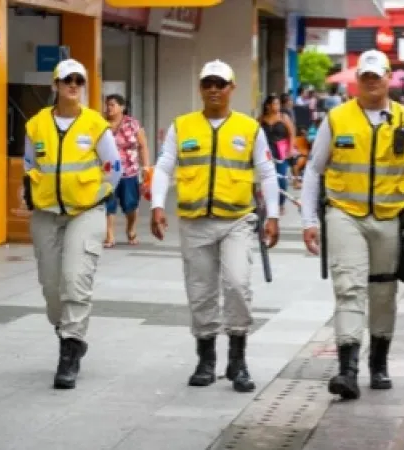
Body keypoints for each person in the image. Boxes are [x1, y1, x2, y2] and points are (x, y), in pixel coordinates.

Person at [300, 50, 404, 401]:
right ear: (357, 80)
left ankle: (378, 362)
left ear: (388, 77)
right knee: (349, 287)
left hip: (391, 219)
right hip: (344, 214)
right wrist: (307, 220)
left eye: (377, 75)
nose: (371, 81)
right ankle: (347, 370)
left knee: (383, 292)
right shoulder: (336, 119)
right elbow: (314, 170)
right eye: (365, 76)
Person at [150, 59, 281, 393]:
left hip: (237, 220)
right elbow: (164, 167)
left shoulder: (250, 128)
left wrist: (275, 216)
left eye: (220, 84)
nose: (213, 90)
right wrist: (156, 205)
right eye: (207, 83)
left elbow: (266, 173)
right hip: (195, 223)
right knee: (201, 291)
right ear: (200, 88)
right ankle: (206, 358)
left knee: (237, 284)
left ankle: (238, 360)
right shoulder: (183, 126)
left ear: (231, 89)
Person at [23, 59, 122, 389]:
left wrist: (98, 195)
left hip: (86, 212)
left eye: (79, 80)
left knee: (75, 279)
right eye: (67, 79)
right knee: (52, 289)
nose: (74, 84)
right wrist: (30, 190)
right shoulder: (36, 125)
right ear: (55, 85)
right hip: (47, 214)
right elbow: (29, 164)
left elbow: (114, 167)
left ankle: (69, 350)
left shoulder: (96, 125)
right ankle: (67, 331)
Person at [103, 94, 151, 247]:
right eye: (107, 105)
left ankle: (131, 229)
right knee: (108, 205)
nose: (108, 108)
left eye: (112, 105)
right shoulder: (101, 123)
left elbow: (143, 146)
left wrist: (146, 167)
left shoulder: (132, 124)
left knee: (130, 204)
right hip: (108, 173)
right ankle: (110, 236)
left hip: (129, 171)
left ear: (122, 107)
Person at [260, 94, 295, 215]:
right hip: (266, 153)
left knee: (281, 179)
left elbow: (291, 133)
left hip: (280, 152)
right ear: (268, 106)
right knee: (266, 178)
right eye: (275, 104)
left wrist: (290, 149)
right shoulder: (261, 119)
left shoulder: (283, 117)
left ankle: (280, 204)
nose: (277, 106)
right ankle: (268, 202)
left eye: (278, 104)